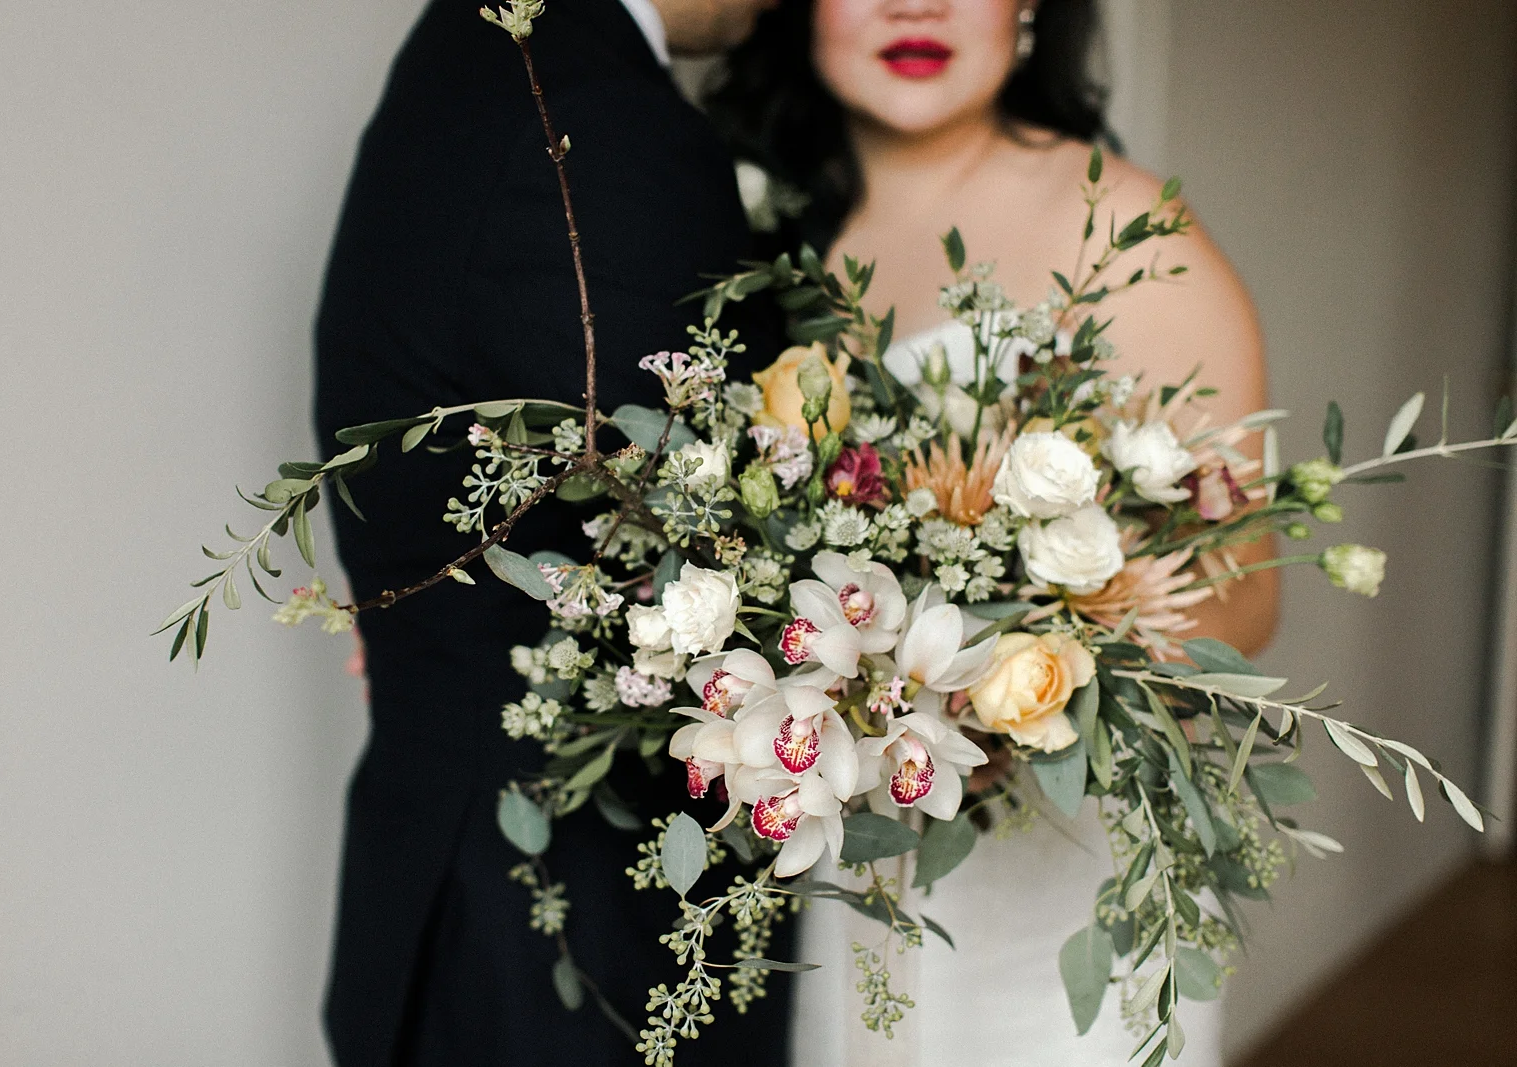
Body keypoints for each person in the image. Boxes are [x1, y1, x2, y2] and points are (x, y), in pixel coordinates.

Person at [706, 0, 1278, 1063]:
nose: (913, 4)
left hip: (1059, 884)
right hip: (849, 869)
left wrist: (1011, 690)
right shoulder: (753, 232)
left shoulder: (1122, 229)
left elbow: (1245, 592)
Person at [313, 0, 784, 1064]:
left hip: (455, 875)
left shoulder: (471, 52)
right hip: (559, 931)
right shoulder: (602, 111)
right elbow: (701, 535)